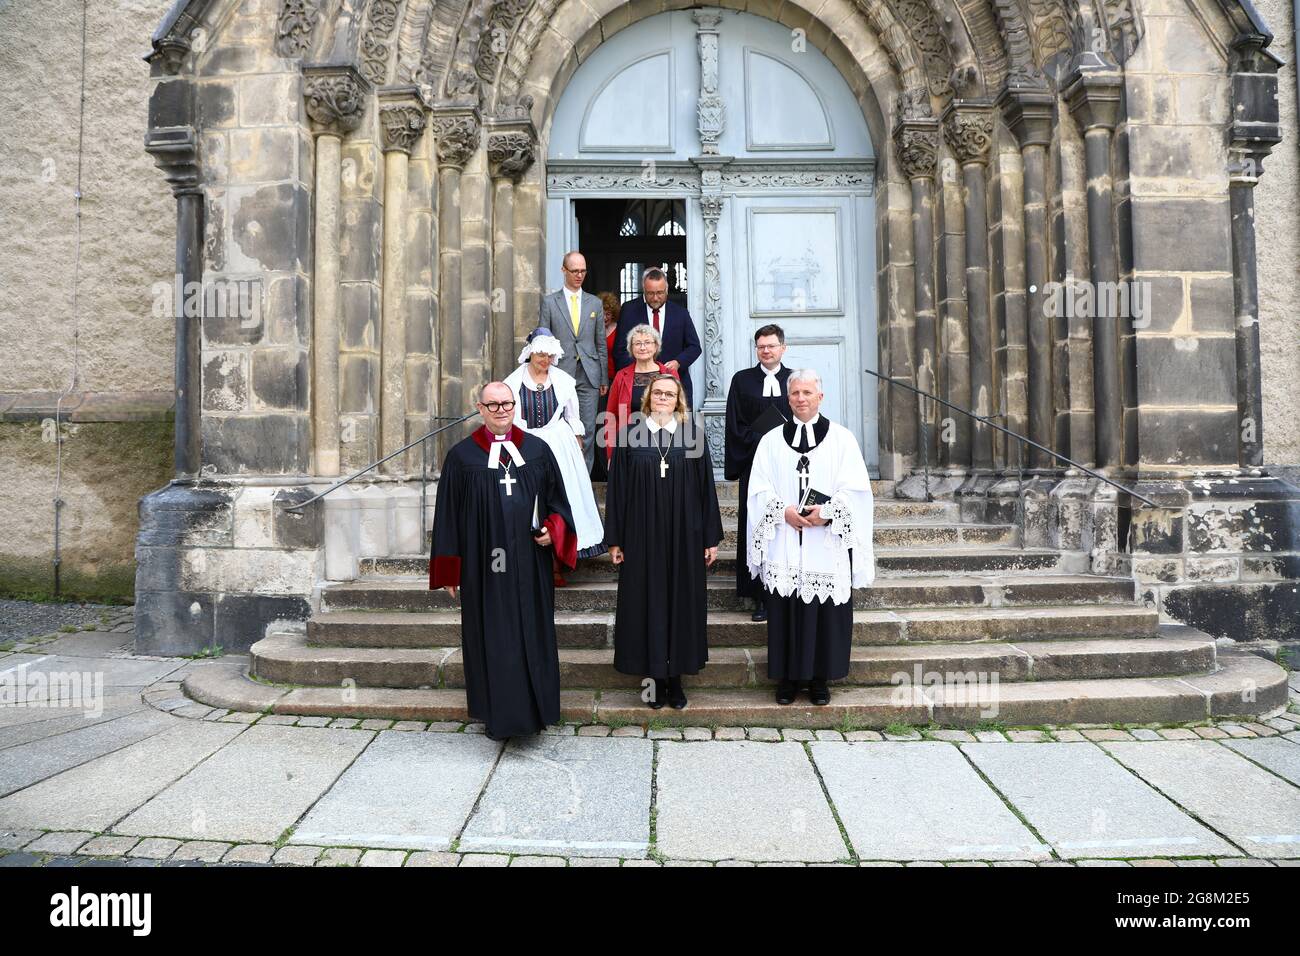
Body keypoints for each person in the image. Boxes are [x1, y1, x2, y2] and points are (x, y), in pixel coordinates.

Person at [429, 381, 578, 740]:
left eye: (506, 404)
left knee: (533, 630)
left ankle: (537, 708)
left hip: (530, 563)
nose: (500, 410)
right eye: (492, 405)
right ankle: (499, 714)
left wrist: (552, 530)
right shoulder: (462, 457)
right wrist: (450, 569)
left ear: (516, 407)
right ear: (479, 409)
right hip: (484, 568)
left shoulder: (539, 451)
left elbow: (560, 503)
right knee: (494, 635)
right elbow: (447, 516)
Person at [746, 369, 874, 707]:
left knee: (824, 611)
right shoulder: (771, 440)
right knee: (786, 609)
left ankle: (819, 679)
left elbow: (857, 489)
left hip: (824, 542)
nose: (801, 399)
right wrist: (781, 511)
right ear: (787, 399)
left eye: (807, 393)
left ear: (820, 397)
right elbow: (758, 489)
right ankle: (788, 679)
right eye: (795, 393)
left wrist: (829, 511)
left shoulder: (842, 439)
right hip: (786, 541)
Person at [605, 374, 722, 709]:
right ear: (648, 398)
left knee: (681, 603)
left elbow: (706, 491)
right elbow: (617, 492)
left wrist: (710, 537)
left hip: (686, 537)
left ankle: (677, 679)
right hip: (641, 538)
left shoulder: (693, 437)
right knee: (647, 603)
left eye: (670, 394)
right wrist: (615, 539)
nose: (663, 398)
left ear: (678, 400)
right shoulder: (629, 436)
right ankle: (653, 679)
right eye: (658, 393)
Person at [502, 327, 607, 583]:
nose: (544, 360)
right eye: (540, 354)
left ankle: (559, 561)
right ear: (530, 353)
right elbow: (506, 419)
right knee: (531, 502)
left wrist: (578, 447)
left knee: (562, 498)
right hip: (525, 443)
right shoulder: (513, 382)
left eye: (549, 355)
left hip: (559, 445)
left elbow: (572, 417)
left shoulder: (563, 381)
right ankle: (530, 561)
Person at [724, 324, 793, 623]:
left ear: (783, 348)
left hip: (790, 465)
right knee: (758, 525)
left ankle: (787, 591)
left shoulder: (795, 379)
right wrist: (761, 441)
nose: (766, 350)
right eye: (761, 346)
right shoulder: (742, 380)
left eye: (771, 346)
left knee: (786, 526)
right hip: (755, 464)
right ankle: (759, 595)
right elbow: (734, 425)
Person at [539, 251, 608, 473]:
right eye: (575, 271)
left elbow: (600, 343)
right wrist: (543, 373)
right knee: (559, 427)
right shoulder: (550, 302)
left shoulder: (595, 303)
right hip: (559, 372)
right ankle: (562, 479)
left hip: (589, 374)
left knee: (587, 430)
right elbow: (543, 341)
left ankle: (583, 482)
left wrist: (603, 377)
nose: (579, 275)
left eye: (583, 271)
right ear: (564, 271)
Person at [612, 267, 701, 407]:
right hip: (638, 388)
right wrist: (635, 371)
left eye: (659, 293)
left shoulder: (680, 312)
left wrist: (678, 362)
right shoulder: (629, 310)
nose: (655, 298)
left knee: (680, 428)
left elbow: (695, 347)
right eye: (650, 293)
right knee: (638, 428)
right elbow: (619, 350)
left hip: (675, 384)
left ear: (666, 289)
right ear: (643, 289)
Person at [603, 323, 679, 464]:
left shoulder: (670, 374)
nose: (642, 347)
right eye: (637, 343)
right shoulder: (621, 376)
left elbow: (679, 411)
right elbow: (611, 416)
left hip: (664, 443)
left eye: (647, 342)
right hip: (630, 445)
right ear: (631, 348)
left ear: (656, 346)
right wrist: (611, 453)